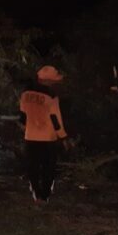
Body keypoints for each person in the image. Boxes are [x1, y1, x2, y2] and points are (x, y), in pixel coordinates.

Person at [19, 65, 70, 203]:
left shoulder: (25, 93)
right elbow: (55, 118)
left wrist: (25, 128)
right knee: (48, 167)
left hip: (30, 136)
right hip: (48, 137)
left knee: (33, 166)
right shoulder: (51, 96)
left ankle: (36, 193)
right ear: (47, 81)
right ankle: (45, 195)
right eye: (54, 81)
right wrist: (63, 136)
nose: (55, 83)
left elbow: (22, 116)